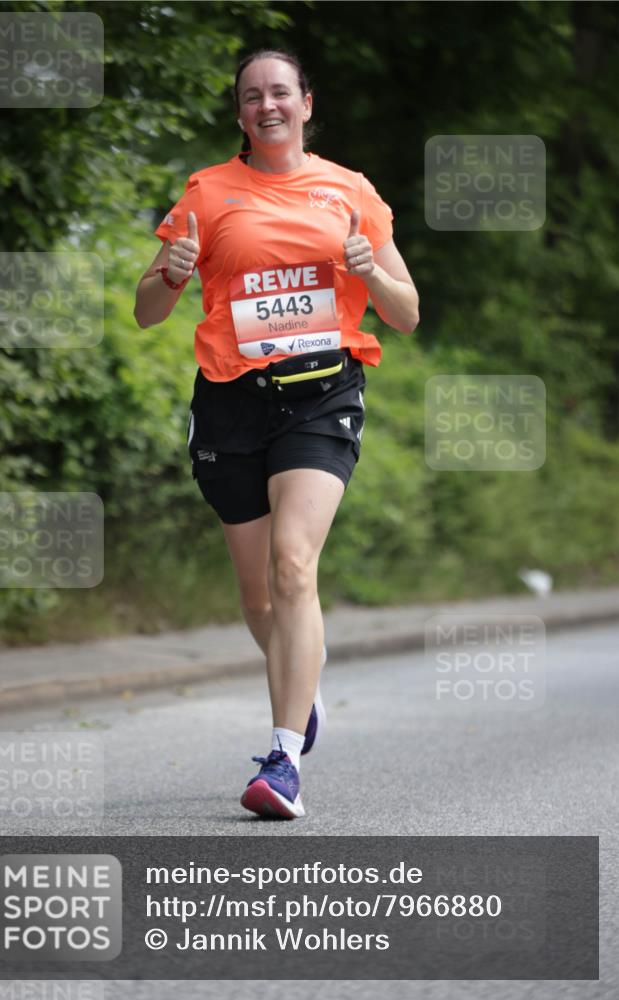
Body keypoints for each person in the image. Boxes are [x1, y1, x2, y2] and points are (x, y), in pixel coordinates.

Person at [134, 49, 419, 819]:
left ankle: (282, 760)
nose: (267, 104)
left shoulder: (349, 191)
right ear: (240, 114)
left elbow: (405, 311)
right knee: (260, 597)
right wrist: (169, 273)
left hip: (321, 396)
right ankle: (305, 687)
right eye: (252, 95)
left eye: (280, 92)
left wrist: (373, 268)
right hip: (230, 404)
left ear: (304, 104)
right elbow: (146, 310)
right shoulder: (207, 193)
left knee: (295, 567)